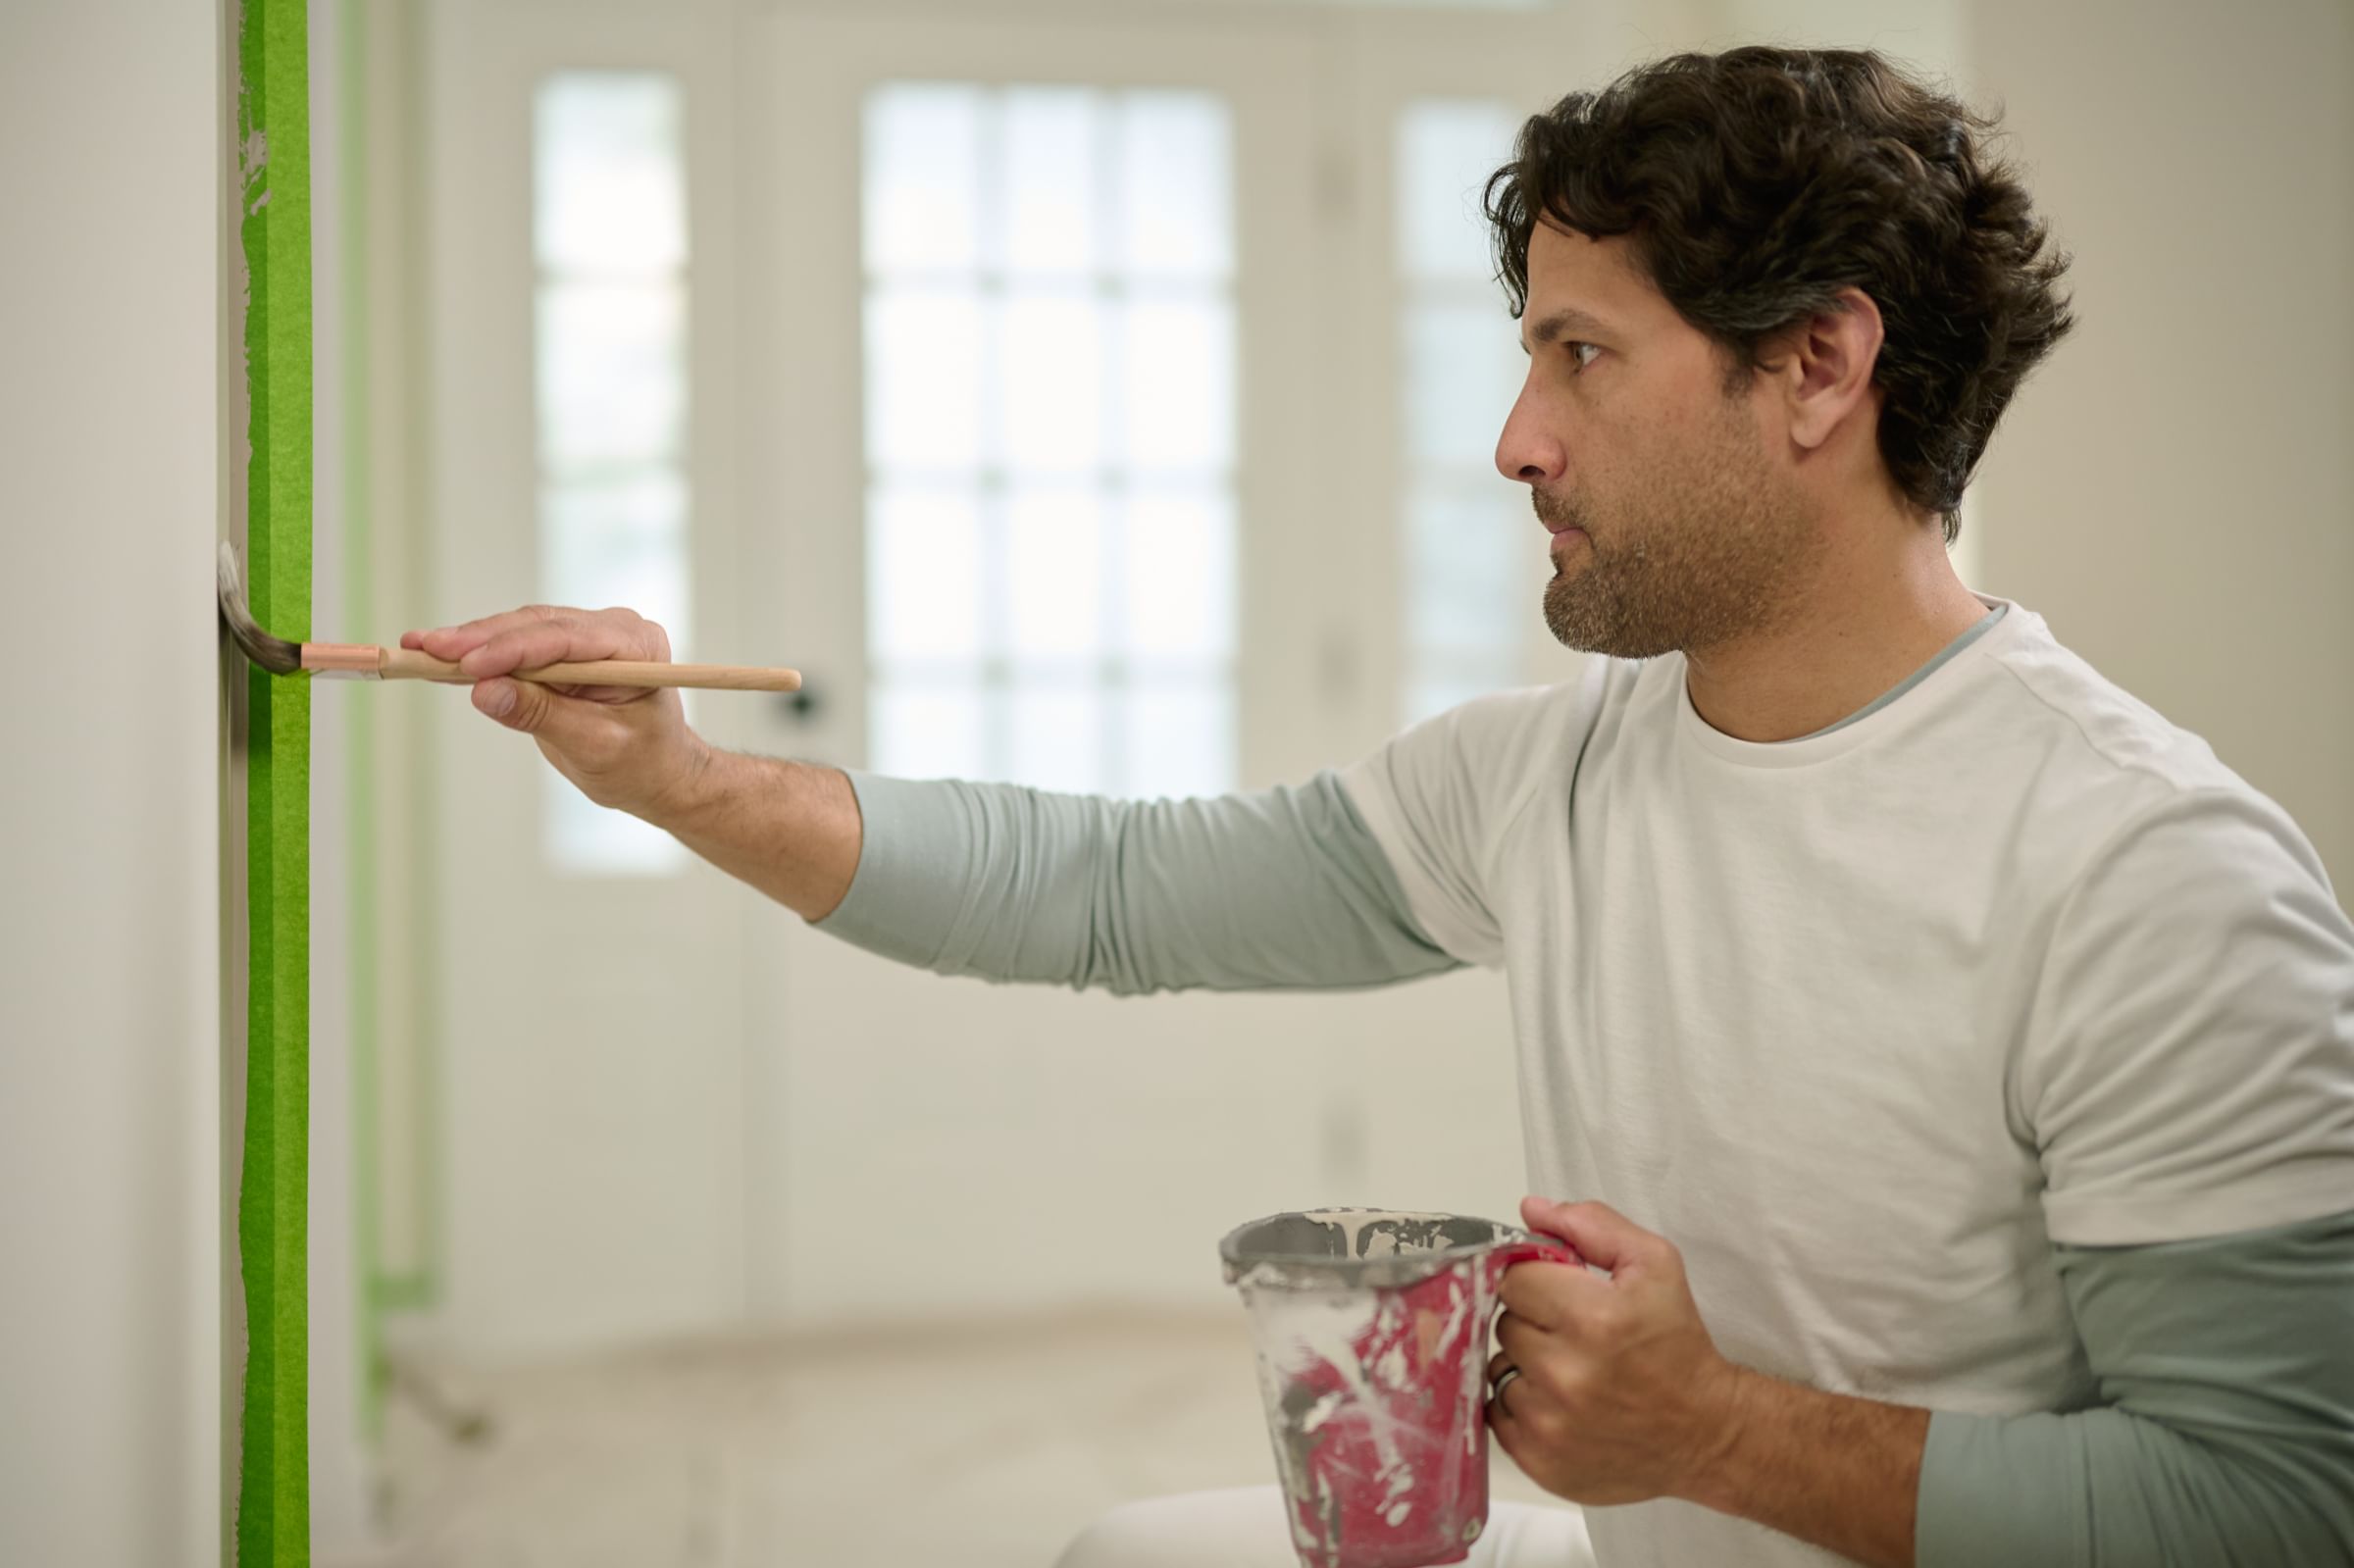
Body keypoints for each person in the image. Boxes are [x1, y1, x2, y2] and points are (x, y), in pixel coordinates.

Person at [405, 46, 2354, 1568]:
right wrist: (674, 775)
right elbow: (1108, 893)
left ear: (1819, 364)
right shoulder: (1557, 771)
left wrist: (1718, 1432)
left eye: (1581, 355)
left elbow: (2277, 1508)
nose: (1517, 436)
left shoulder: (2145, 873)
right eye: (1531, 354)